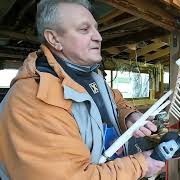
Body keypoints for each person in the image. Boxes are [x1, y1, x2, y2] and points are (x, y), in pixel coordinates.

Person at [0, 0, 165, 179]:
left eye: (96, 28)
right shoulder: (33, 101)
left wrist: (128, 115)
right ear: (54, 39)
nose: (98, 37)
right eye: (84, 29)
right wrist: (141, 166)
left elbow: (113, 100)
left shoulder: (91, 75)